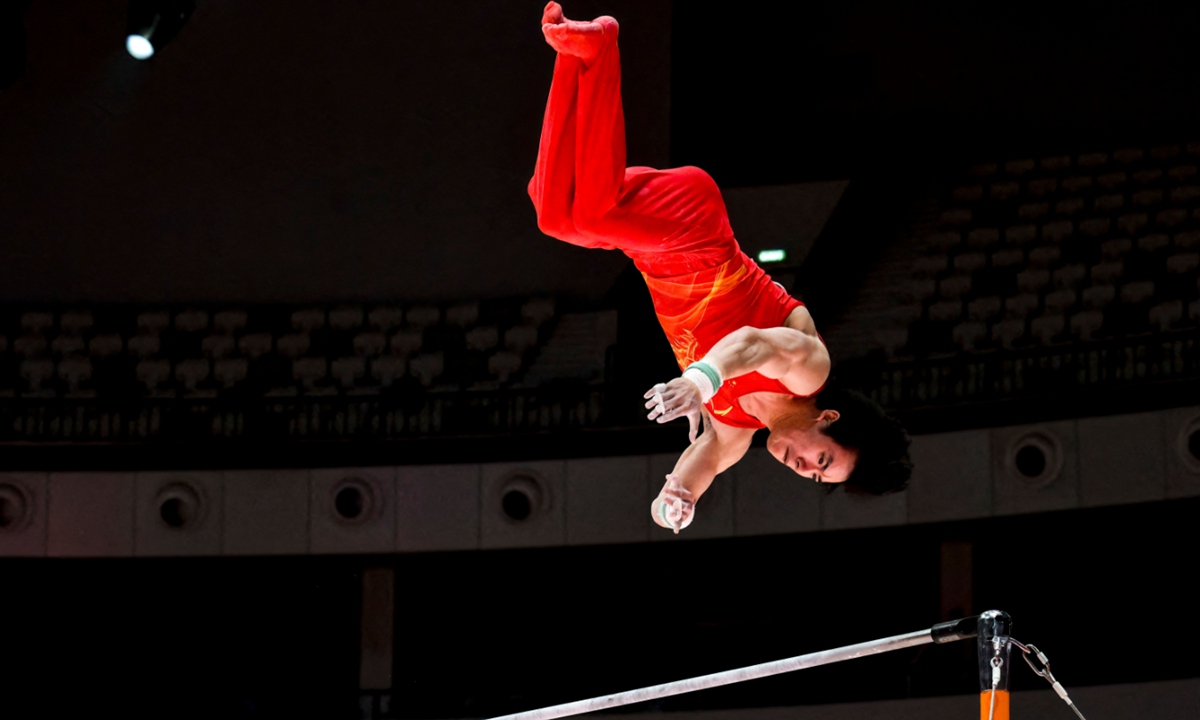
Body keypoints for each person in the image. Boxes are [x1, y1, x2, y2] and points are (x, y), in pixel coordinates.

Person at [529, 3, 911, 533]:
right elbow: (752, 344)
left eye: (816, 477)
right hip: (696, 231)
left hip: (654, 253)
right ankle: (601, 47)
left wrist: (674, 502)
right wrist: (701, 381)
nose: (804, 468)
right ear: (828, 418)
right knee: (590, 212)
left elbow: (703, 462)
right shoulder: (810, 370)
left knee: (555, 212)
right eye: (821, 458)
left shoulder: (736, 429)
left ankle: (572, 57)